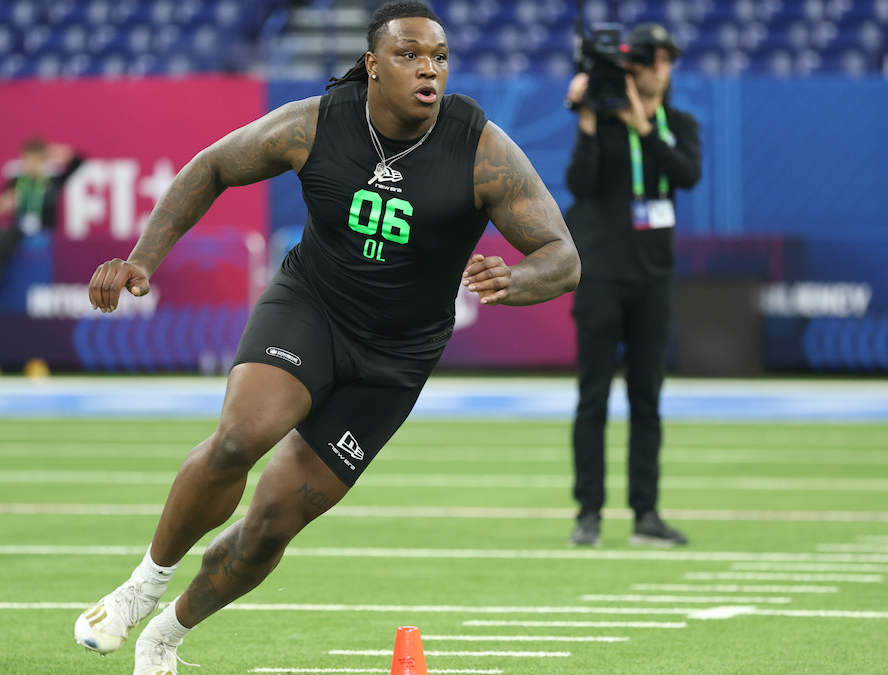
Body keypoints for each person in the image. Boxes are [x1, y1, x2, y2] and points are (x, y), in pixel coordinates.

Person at [74, 2, 580, 672]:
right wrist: (143, 259)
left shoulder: (479, 147)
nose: (428, 68)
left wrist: (517, 279)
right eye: (409, 54)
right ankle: (142, 586)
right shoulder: (316, 122)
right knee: (241, 436)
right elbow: (212, 166)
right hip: (312, 308)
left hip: (397, 356)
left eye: (439, 56)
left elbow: (563, 257)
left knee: (270, 527)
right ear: (373, 65)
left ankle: (164, 636)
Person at [564, 23, 702, 548]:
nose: (660, 70)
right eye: (651, 61)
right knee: (593, 399)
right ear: (631, 69)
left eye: (666, 61)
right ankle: (588, 514)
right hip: (601, 274)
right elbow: (580, 184)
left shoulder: (678, 124)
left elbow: (686, 173)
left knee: (647, 400)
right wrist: (587, 121)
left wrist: (643, 126)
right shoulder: (600, 121)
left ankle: (646, 514)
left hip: (653, 278)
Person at [0, 138, 83, 298]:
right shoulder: (17, 181)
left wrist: (58, 152)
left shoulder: (53, 180)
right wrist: (7, 203)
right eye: (28, 160)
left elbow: (79, 163)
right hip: (19, 236)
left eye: (37, 160)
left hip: (46, 236)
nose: (32, 165)